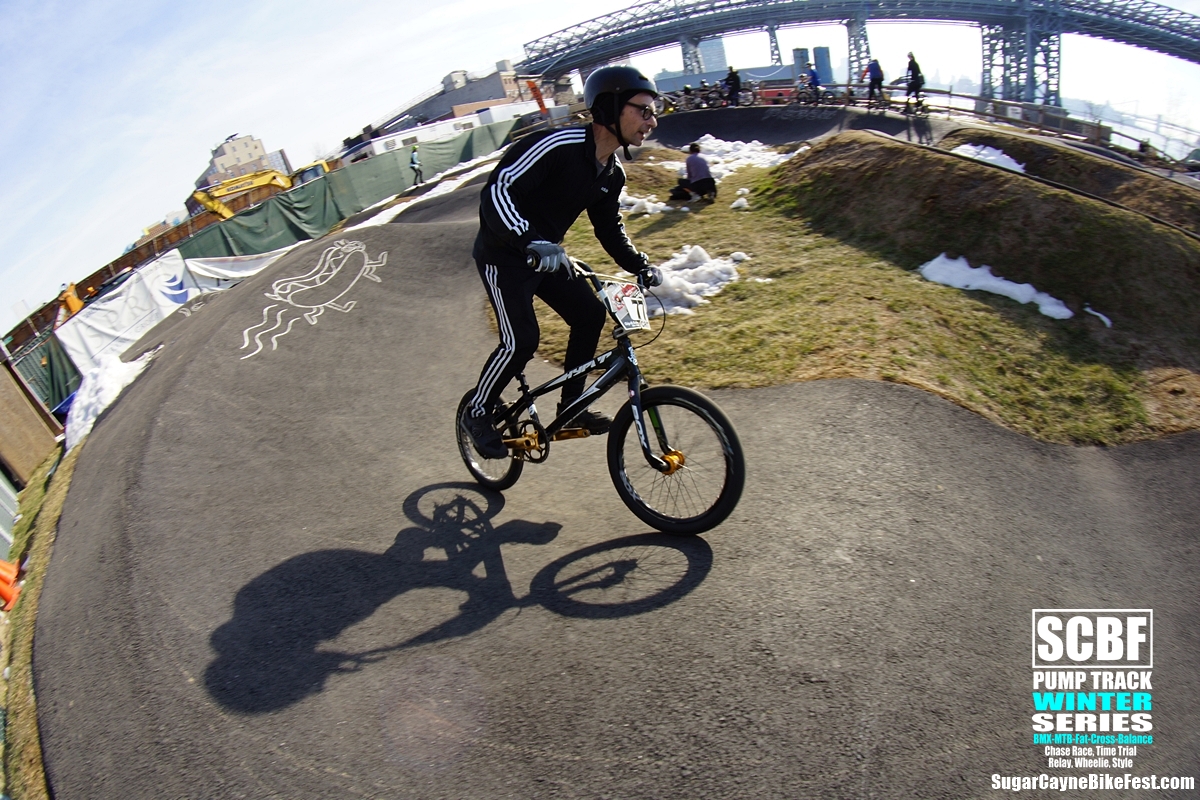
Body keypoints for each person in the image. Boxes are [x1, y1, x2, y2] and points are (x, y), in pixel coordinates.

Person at [462, 65, 664, 459]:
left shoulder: (611, 174)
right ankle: (478, 410)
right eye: (643, 110)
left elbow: (609, 229)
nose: (651, 121)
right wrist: (529, 240)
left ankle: (571, 407)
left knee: (589, 315)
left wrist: (638, 264)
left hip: (547, 259)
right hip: (503, 256)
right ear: (610, 109)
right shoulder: (558, 146)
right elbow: (498, 191)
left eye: (654, 112)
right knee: (522, 340)